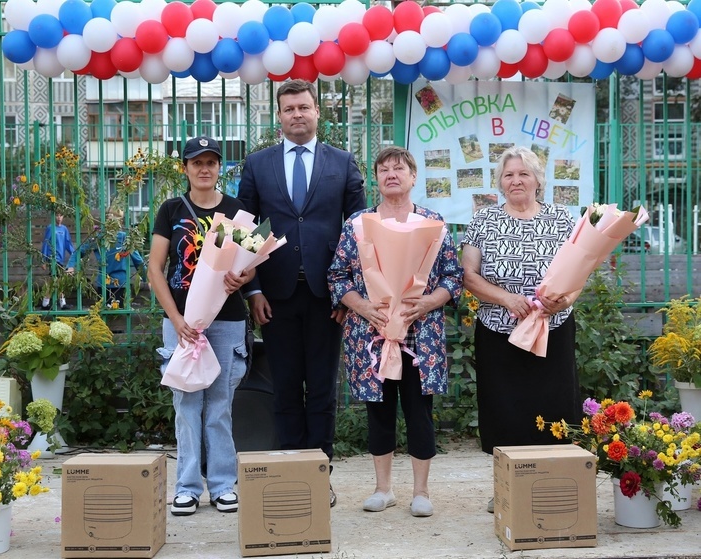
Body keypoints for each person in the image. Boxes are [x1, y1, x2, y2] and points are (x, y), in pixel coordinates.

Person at [237, 79, 365, 507]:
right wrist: (252, 289)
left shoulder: (343, 163)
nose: (297, 114)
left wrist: (350, 295)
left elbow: (359, 234)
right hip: (275, 296)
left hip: (328, 298)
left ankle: (318, 475)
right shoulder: (258, 165)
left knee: (324, 391)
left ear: (317, 112)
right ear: (279, 115)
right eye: (289, 108)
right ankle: (291, 471)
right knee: (287, 388)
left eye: (304, 107)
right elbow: (247, 230)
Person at [327, 147, 463, 517]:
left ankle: (421, 492)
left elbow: (453, 275)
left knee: (420, 409)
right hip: (372, 333)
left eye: (399, 168)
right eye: (383, 168)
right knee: (379, 409)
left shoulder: (432, 222)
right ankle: (382, 488)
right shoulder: (358, 223)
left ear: (413, 176)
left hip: (421, 334)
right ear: (376, 178)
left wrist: (428, 302)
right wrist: (364, 306)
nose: (391, 174)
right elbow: (337, 275)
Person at [460, 146, 582, 514]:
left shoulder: (562, 218)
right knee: (505, 410)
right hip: (500, 332)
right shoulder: (483, 221)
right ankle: (507, 489)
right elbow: (469, 276)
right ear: (500, 183)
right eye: (509, 175)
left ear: (538, 180)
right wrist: (507, 299)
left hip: (553, 328)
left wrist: (564, 298)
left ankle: (553, 487)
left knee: (555, 405)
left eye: (523, 174)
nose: (516, 181)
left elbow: (581, 270)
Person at [148, 135, 254, 516]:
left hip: (226, 320)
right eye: (197, 162)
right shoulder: (171, 209)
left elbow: (249, 261)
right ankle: (188, 487)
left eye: (211, 162)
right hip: (183, 324)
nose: (204, 168)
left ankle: (224, 484)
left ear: (219, 168)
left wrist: (243, 277)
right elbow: (155, 270)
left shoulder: (235, 209)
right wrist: (176, 320)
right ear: (186, 168)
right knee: (187, 403)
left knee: (221, 404)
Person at [66, 209, 146, 308]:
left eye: (114, 215)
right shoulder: (99, 238)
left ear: (120, 221)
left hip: (120, 284)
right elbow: (78, 251)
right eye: (108, 215)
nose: (110, 217)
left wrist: (148, 279)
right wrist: (71, 266)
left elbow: (138, 262)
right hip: (103, 284)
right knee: (102, 315)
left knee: (118, 314)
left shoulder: (126, 238)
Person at [40, 212, 74, 310]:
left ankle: (46, 303)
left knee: (56, 281)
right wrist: (44, 260)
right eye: (57, 215)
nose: (59, 217)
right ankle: (61, 303)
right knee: (57, 280)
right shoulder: (51, 228)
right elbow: (46, 243)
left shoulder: (64, 229)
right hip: (52, 259)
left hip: (61, 259)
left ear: (63, 217)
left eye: (61, 215)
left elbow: (68, 243)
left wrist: (75, 254)